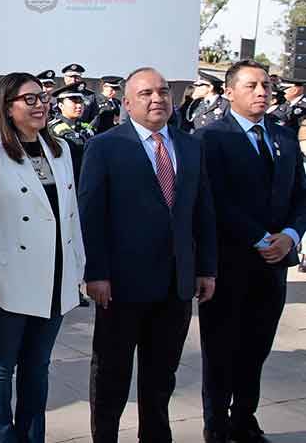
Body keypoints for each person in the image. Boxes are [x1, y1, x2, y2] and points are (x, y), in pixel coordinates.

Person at [77, 67, 218, 443]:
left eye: (163, 92)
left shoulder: (190, 146)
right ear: (126, 102)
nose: (157, 99)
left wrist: (205, 268)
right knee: (112, 373)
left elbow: (202, 211)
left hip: (175, 285)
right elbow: (91, 214)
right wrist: (96, 273)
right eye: (146, 93)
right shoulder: (105, 146)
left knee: (161, 376)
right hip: (121, 285)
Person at [0, 72, 86, 443]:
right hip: (7, 281)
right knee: (1, 369)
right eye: (29, 99)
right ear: (7, 106)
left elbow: (71, 215)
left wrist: (79, 267)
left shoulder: (60, 148)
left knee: (38, 368)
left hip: (55, 278)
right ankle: (2, 437)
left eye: (42, 97)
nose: (40, 105)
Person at [196, 60, 306, 443]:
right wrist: (261, 239)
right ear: (229, 92)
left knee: (256, 347)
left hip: (274, 265)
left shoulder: (285, 137)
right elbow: (215, 200)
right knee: (221, 348)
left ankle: (244, 419)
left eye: (266, 84)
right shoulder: (210, 138)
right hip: (229, 263)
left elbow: (300, 195)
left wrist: (290, 235)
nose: (262, 91)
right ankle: (216, 424)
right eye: (251, 85)